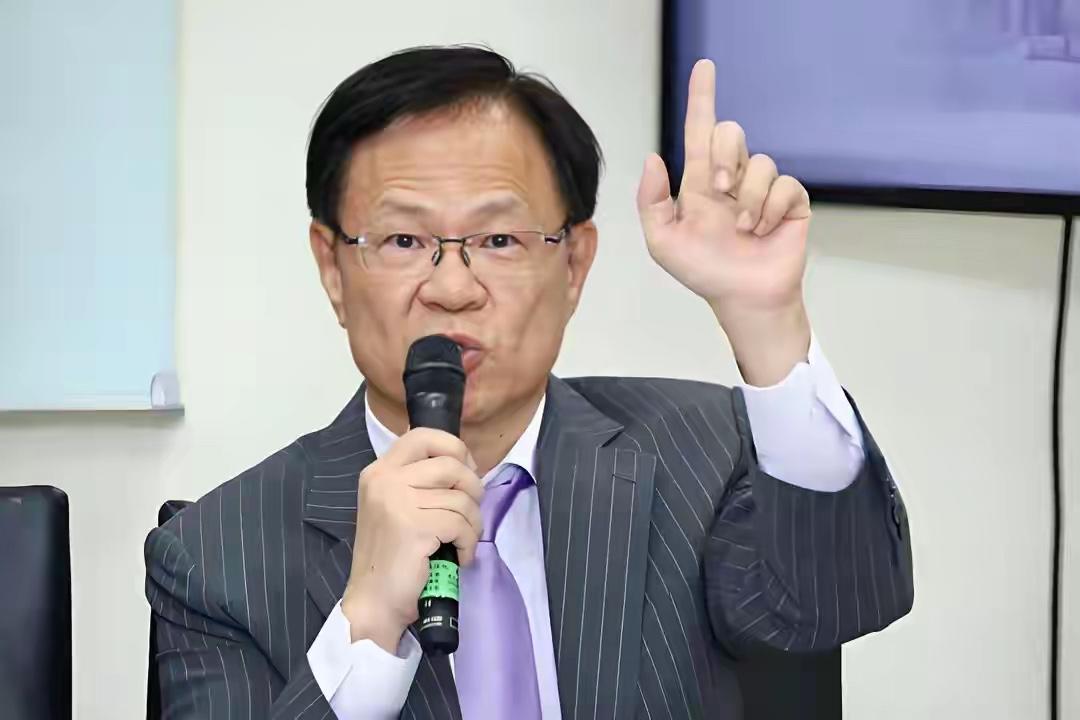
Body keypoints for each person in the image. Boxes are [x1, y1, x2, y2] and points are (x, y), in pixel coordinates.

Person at [145, 46, 913, 720]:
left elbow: (836, 600)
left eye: (499, 239)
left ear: (574, 264)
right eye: (404, 238)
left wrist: (767, 320)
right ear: (332, 268)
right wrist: (368, 624)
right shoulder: (214, 559)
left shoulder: (701, 456)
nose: (452, 288)